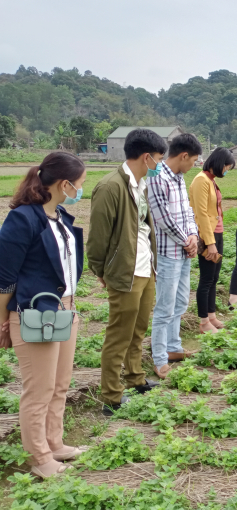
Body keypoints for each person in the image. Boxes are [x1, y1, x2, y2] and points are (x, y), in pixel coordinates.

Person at [0, 153, 87, 478]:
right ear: (64, 184)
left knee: (60, 384)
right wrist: (4, 321)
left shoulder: (61, 217)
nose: (81, 189)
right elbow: (5, 277)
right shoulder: (23, 219)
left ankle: (55, 442)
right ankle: (39, 458)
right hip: (35, 314)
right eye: (79, 184)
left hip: (66, 309)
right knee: (39, 390)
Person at [87, 128, 165, 416]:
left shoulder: (140, 184)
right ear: (146, 157)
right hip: (125, 273)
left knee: (138, 329)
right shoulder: (111, 187)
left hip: (145, 269)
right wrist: (102, 270)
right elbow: (97, 239)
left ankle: (135, 378)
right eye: (158, 159)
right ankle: (111, 396)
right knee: (119, 334)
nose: (159, 165)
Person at [147, 134, 201, 379]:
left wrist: (193, 236)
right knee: (164, 307)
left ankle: (173, 347)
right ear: (184, 156)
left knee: (180, 302)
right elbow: (162, 218)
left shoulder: (179, 178)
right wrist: (185, 240)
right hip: (167, 252)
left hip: (184, 249)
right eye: (194, 161)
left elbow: (187, 212)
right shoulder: (157, 177)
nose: (193, 166)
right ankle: (159, 358)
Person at [189, 147, 235, 334]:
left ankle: (212, 315)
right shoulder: (201, 180)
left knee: (214, 277)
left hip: (217, 232)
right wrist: (210, 243)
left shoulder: (210, 180)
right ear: (218, 163)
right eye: (226, 167)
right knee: (207, 279)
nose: (226, 171)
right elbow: (201, 214)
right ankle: (203, 322)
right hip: (209, 235)